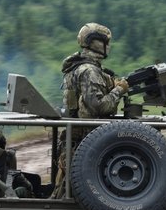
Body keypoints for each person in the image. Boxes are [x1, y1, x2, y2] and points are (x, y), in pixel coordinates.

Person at [53, 22, 129, 197]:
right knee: (74, 194)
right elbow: (100, 107)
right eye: (106, 42)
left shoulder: (80, 67)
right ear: (96, 42)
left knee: (67, 191)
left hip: (79, 142)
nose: (108, 46)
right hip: (86, 143)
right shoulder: (89, 71)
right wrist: (119, 90)